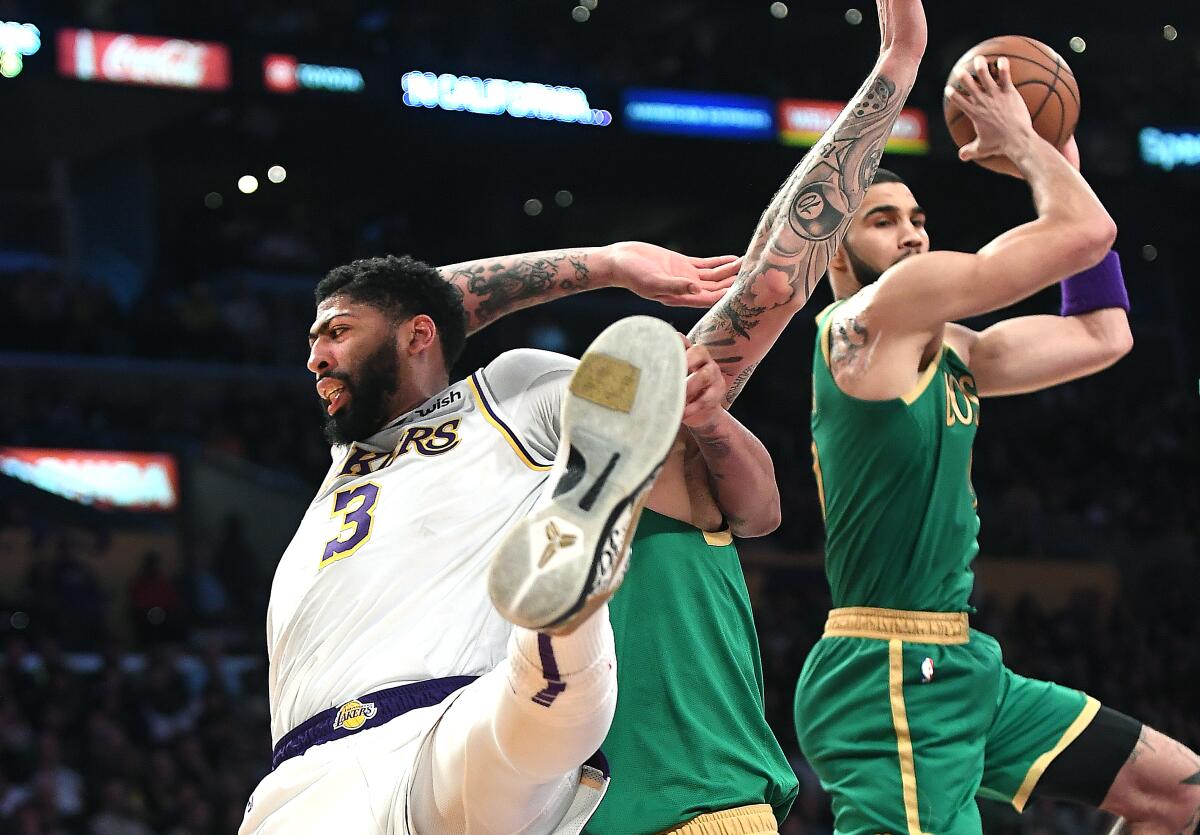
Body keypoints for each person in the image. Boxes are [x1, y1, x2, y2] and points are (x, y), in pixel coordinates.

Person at [790, 56, 1200, 833]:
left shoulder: (957, 352)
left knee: (1177, 794)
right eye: (883, 220)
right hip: (890, 671)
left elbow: (1103, 334)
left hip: (962, 661)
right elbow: (1084, 230)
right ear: (836, 255)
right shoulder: (869, 316)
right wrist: (1026, 143)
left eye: (917, 218)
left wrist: (1058, 166)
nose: (911, 234)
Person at [239, 242, 742, 834]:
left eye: (336, 334)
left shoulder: (509, 392)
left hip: (446, 721)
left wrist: (615, 268)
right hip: (302, 780)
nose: (315, 359)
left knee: (535, 716)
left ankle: (567, 581)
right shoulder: (344, 451)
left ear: (418, 336)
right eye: (313, 341)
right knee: (539, 724)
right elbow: (418, 295)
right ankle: (566, 591)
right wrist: (607, 263)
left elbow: (427, 296)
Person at [588, 1, 929, 832]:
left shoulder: (623, 444)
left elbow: (764, 508)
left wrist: (896, 67)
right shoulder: (499, 483)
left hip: (699, 802)